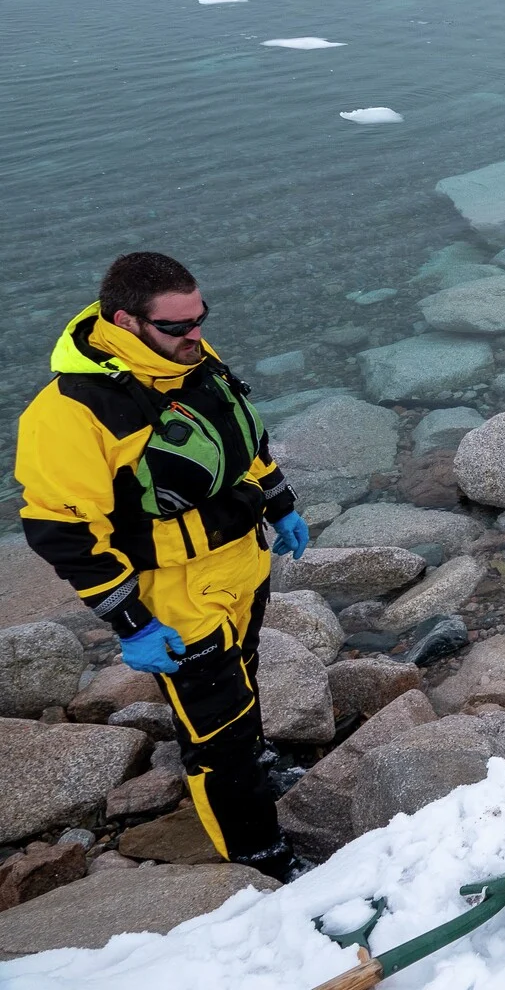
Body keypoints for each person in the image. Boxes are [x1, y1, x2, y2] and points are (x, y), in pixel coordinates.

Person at [15, 253, 310, 880]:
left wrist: (280, 501)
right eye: (178, 325)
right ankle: (259, 856)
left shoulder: (188, 356)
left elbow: (241, 438)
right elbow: (60, 528)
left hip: (241, 563)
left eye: (200, 318)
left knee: (245, 676)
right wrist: (131, 622)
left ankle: (259, 762)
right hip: (174, 594)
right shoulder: (72, 411)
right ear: (127, 321)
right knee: (217, 733)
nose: (195, 334)